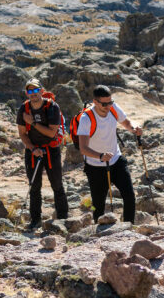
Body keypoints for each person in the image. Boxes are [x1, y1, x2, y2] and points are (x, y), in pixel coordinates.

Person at [77, 85, 142, 224]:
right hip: (95, 166)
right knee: (98, 204)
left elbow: (125, 122)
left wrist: (133, 129)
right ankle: (97, 230)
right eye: (104, 104)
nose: (108, 106)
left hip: (116, 159)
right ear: (95, 102)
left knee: (129, 196)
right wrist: (100, 156)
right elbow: (83, 148)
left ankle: (128, 227)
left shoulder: (113, 108)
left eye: (110, 102)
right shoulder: (86, 118)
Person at [17, 78, 69, 229]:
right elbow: (22, 134)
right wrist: (33, 148)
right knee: (34, 186)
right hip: (33, 151)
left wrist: (33, 123)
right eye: (29, 91)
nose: (33, 94)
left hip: (51, 149)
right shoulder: (24, 109)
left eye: (35, 90)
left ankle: (63, 219)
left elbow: (52, 133)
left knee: (57, 184)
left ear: (41, 91)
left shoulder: (52, 107)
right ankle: (35, 220)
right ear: (27, 93)